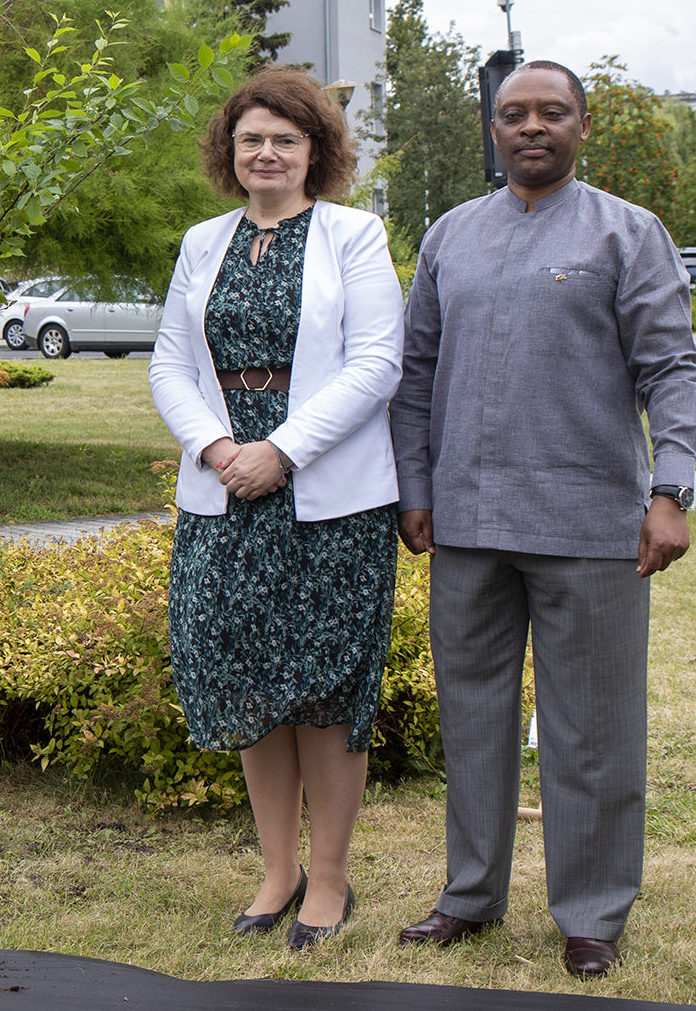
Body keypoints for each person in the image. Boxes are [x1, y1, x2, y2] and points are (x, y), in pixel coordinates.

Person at [388, 60, 696, 979]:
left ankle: (593, 910)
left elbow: (671, 369)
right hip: (469, 528)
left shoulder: (628, 234)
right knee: (473, 719)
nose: (532, 127)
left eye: (551, 113)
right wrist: (415, 488)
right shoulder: (451, 235)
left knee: (592, 727)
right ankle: (470, 894)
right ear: (493, 128)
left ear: (582, 126)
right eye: (513, 114)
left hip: (590, 525)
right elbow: (415, 374)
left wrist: (670, 489)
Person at [148, 66, 405, 950]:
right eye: (251, 137)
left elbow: (378, 363)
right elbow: (170, 366)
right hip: (225, 490)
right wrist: (221, 449)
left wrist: (282, 449)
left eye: (285, 139)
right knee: (252, 679)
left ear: (315, 152)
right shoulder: (201, 241)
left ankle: (329, 879)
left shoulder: (355, 236)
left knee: (327, 687)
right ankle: (276, 870)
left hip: (327, 493)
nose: (266, 152)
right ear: (230, 148)